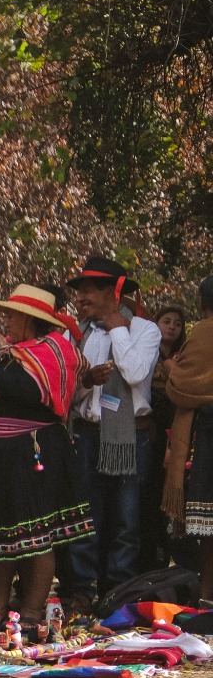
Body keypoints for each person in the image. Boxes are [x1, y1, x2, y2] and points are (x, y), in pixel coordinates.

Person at [0, 286, 92, 620]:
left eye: (13, 314)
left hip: (33, 452)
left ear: (30, 319)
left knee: (36, 538)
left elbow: (30, 393)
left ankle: (31, 611)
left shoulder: (52, 349)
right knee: (2, 538)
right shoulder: (16, 353)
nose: (7, 320)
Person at [65, 256, 162, 602]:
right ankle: (82, 591)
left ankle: (119, 593)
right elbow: (65, 390)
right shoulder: (74, 335)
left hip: (131, 437)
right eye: (78, 292)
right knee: (85, 518)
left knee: (126, 522)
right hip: (87, 434)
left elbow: (135, 373)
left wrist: (118, 328)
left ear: (111, 291)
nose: (80, 298)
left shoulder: (145, 330)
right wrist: (86, 380)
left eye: (87, 290)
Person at [163, 280, 213, 600]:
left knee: (211, 528)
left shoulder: (206, 331)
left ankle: (208, 598)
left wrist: (170, 366)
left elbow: (183, 387)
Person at [144, 305, 187, 568]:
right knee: (147, 495)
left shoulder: (186, 357)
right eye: (166, 321)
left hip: (175, 433)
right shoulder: (147, 352)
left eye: (177, 324)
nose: (171, 327)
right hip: (149, 429)